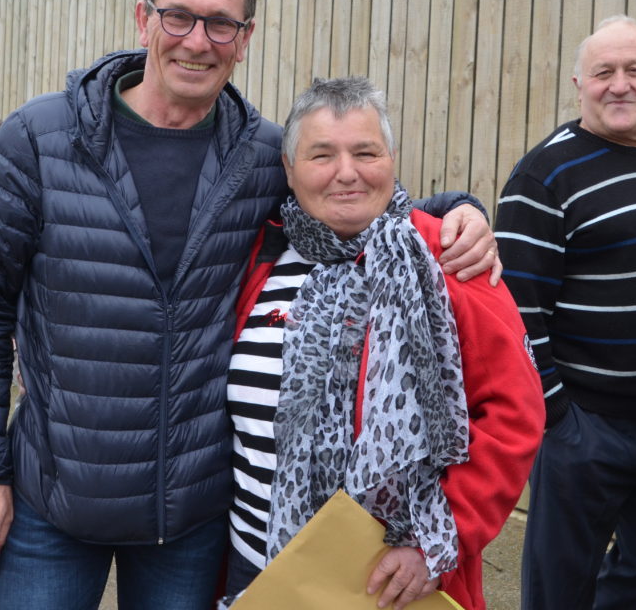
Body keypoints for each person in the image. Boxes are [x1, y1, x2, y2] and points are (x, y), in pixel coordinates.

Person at [0, 0, 499, 610]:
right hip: (54, 495)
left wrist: (458, 211)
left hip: (191, 512)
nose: (198, 41)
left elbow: (350, 199)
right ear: (143, 19)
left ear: (245, 38)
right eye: (179, 17)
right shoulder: (42, 137)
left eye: (221, 24)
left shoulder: (259, 154)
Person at [222, 77, 544, 610]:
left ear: (391, 160)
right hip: (254, 564)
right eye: (322, 154)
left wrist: (435, 541)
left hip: (390, 578)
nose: (346, 172)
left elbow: (515, 413)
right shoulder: (259, 256)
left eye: (365, 152)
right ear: (289, 168)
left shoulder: (448, 258)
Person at [494, 16, 636, 609]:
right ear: (579, 85)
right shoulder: (544, 176)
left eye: (635, 70)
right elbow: (516, 311)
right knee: (560, 592)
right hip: (588, 426)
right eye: (603, 72)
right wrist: (560, 420)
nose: (619, 84)